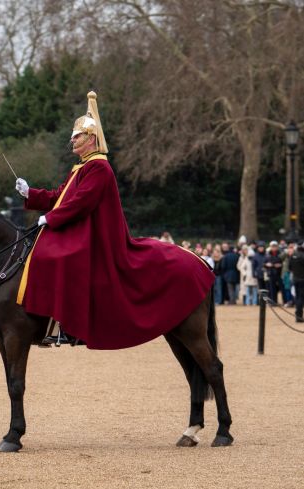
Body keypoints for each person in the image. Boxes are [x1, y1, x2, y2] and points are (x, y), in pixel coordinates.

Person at [13, 91, 214, 349]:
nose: (71, 141)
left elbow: (80, 204)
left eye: (77, 136)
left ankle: (65, 325)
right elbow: (59, 196)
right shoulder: (82, 167)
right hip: (81, 230)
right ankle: (54, 324)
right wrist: (30, 193)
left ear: (91, 139)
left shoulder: (99, 167)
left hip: (96, 235)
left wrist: (49, 219)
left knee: (54, 256)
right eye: (72, 136)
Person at [289, 242, 304, 321]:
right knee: (300, 298)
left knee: (298, 297)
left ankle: (298, 316)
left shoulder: (292, 256)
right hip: (302, 279)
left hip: (296, 279)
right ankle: (299, 316)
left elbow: (290, 268)